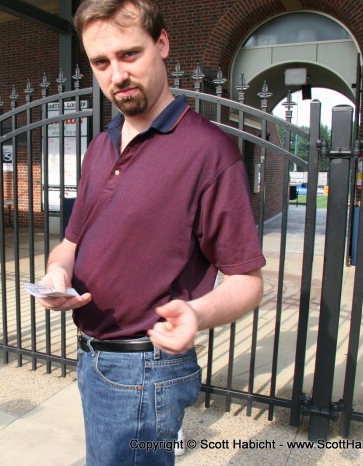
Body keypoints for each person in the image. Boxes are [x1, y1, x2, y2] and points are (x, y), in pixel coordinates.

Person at [35, 1, 266, 464]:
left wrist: (197, 314)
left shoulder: (209, 152)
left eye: (129, 55)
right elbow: (70, 243)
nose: (116, 75)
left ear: (161, 44)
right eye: (101, 62)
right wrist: (57, 276)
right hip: (93, 356)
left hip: (146, 368)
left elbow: (248, 282)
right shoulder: (102, 144)